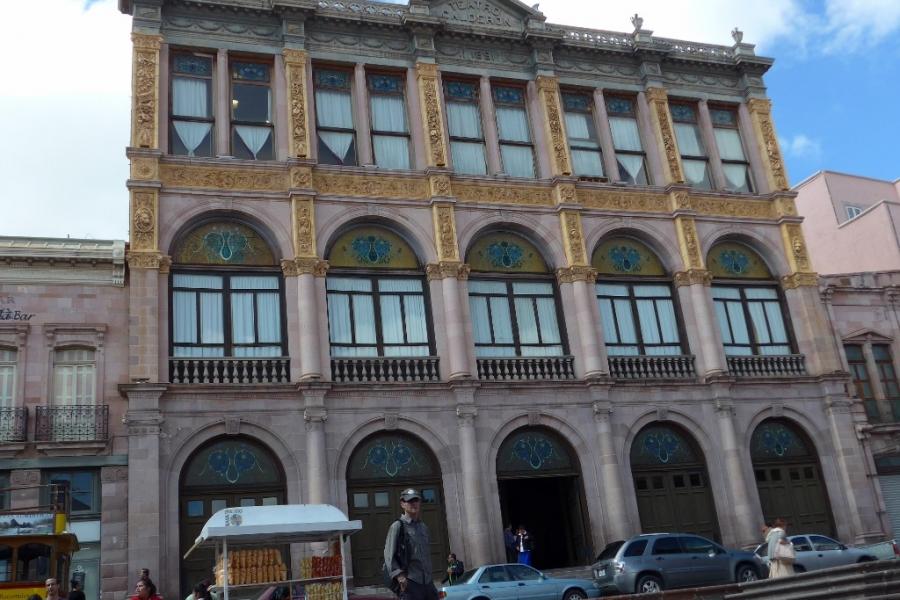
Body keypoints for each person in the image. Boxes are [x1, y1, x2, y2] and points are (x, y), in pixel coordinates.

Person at [384, 488, 438, 600]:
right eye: (410, 501)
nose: (414, 504)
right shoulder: (397, 526)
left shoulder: (423, 527)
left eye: (416, 500)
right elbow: (389, 555)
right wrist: (399, 576)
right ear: (402, 504)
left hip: (428, 582)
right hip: (411, 582)